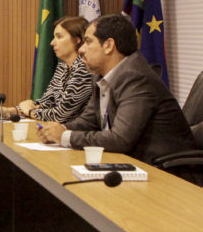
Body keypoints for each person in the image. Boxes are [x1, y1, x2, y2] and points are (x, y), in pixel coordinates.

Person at [37, 14, 193, 162]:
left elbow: (120, 139)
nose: (81, 49)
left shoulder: (137, 78)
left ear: (109, 46)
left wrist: (65, 136)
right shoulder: (101, 76)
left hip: (163, 171)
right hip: (129, 162)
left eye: (88, 42)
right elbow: (89, 121)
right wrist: (57, 129)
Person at [0, 16, 92, 121]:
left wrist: (30, 112)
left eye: (59, 37)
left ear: (77, 40)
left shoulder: (84, 69)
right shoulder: (63, 67)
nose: (52, 42)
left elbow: (60, 114)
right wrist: (10, 111)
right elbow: (45, 103)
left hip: (75, 134)